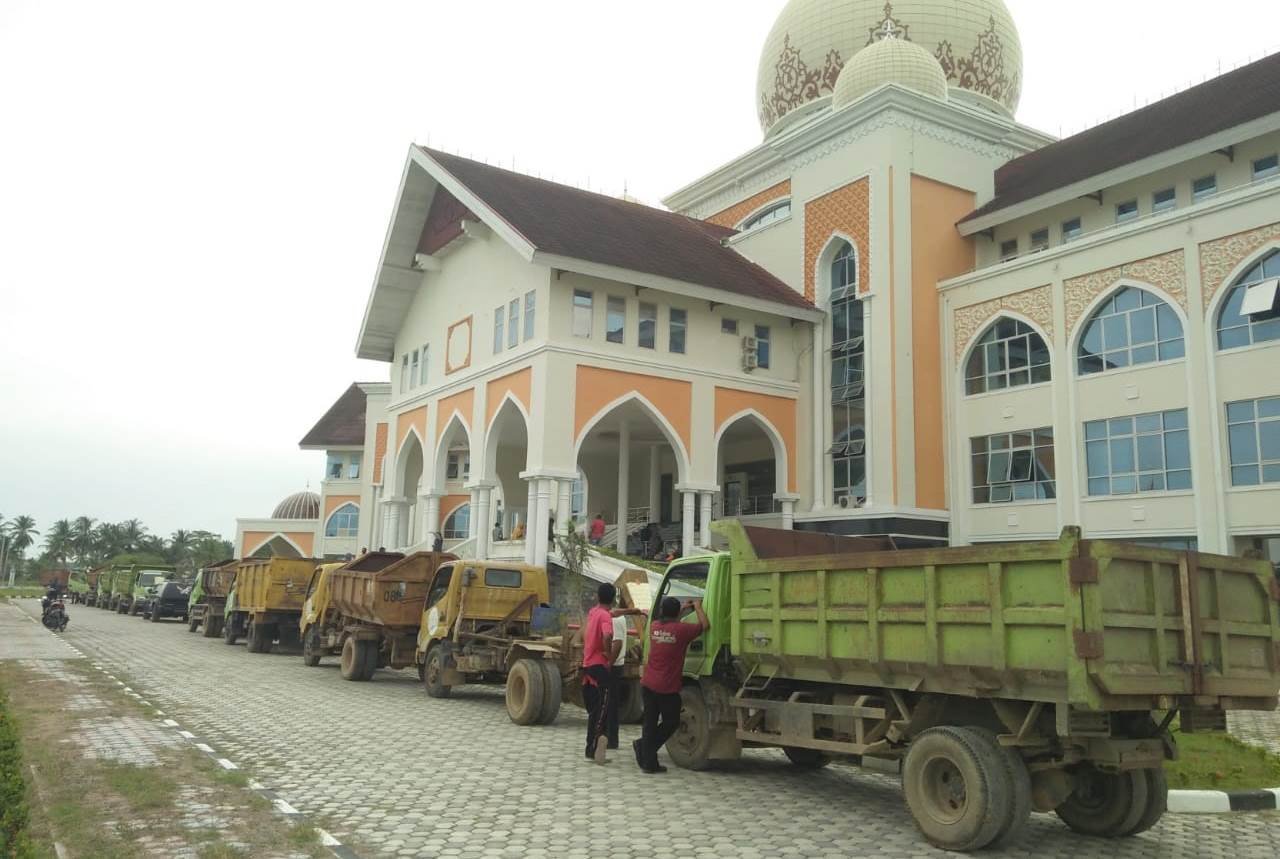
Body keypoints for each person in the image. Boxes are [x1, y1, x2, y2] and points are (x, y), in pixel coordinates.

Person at [634, 595, 709, 773]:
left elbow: (670, 624)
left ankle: (649, 763)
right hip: (667, 686)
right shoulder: (682, 631)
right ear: (677, 614)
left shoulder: (654, 627)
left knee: (650, 723)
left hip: (648, 683)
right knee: (671, 722)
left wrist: (681, 610)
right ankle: (643, 747)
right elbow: (705, 625)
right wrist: (697, 607)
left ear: (661, 611)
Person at [580, 583, 618, 764]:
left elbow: (611, 613)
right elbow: (607, 636)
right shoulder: (605, 617)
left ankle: (591, 747)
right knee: (603, 709)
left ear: (597, 596)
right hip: (599, 666)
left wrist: (632, 611)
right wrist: (608, 654)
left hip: (587, 664)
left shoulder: (594, 612)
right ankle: (595, 746)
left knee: (595, 709)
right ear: (613, 599)